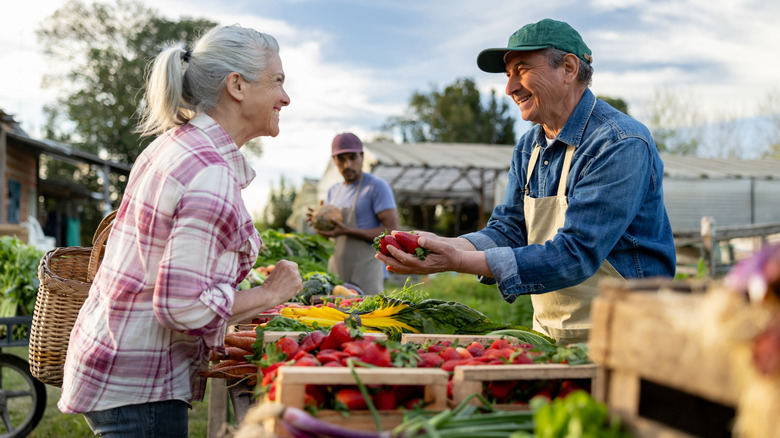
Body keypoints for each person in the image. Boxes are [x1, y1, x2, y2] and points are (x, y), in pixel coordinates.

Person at [57, 24, 302, 436]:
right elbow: (181, 308)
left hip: (115, 362)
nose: (285, 97)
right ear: (237, 85)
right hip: (139, 387)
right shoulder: (210, 173)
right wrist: (271, 294)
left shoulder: (177, 145)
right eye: (277, 81)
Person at [376, 18, 676, 345]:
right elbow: (509, 229)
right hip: (552, 337)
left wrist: (457, 260)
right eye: (508, 76)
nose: (509, 89)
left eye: (521, 70)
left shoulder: (619, 143)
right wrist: (448, 245)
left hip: (630, 340)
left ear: (569, 68)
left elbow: (577, 253)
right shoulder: (530, 146)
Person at [308, 133, 399, 295]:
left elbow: (391, 231)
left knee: (366, 316)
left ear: (362, 157)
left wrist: (347, 231)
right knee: (336, 317)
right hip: (337, 270)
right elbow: (330, 237)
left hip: (367, 270)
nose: (347, 164)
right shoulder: (333, 191)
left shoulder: (376, 187)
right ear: (334, 161)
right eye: (341, 159)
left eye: (352, 157)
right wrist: (318, 224)